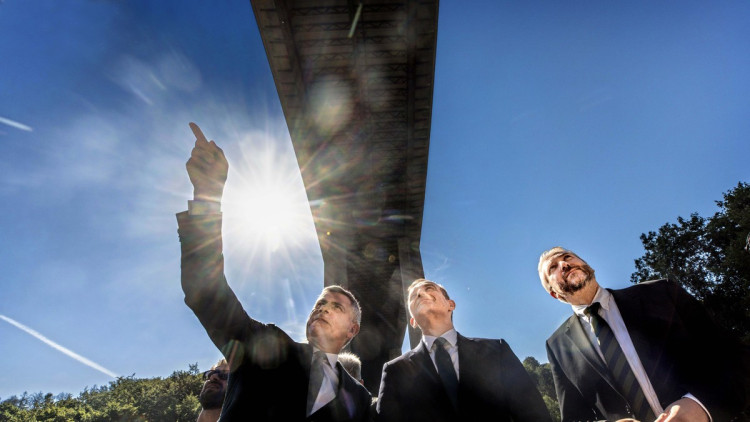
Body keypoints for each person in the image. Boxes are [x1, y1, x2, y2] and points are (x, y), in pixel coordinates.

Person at [178, 122, 371, 421]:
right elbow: (205, 291)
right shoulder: (265, 346)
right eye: (320, 303)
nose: (323, 309)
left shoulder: (359, 399)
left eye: (336, 306)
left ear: (352, 330)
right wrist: (207, 194)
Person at [539, 246, 749, 422]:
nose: (564, 264)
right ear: (553, 293)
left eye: (568, 257)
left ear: (587, 265)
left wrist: (700, 405)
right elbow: (575, 417)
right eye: (553, 268)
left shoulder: (661, 293)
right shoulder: (557, 346)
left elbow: (733, 356)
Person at [375, 278, 552, 422]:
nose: (421, 293)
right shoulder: (395, 370)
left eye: (429, 288)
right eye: (414, 297)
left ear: (450, 305)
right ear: (413, 321)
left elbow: (532, 413)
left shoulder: (496, 350)